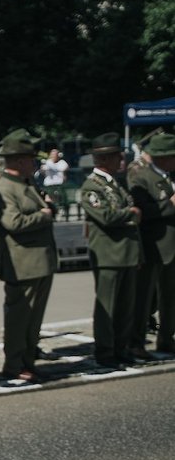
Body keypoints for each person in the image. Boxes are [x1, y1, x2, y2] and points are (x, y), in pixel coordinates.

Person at [0, 129, 58, 382]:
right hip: (22, 264)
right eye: (31, 158)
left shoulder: (28, 183)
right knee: (19, 319)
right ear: (18, 160)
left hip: (40, 262)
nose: (35, 163)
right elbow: (13, 222)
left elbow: (42, 208)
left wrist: (49, 207)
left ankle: (28, 360)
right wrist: (44, 215)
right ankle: (14, 364)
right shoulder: (5, 188)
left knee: (34, 320)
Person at [79, 132, 142, 370]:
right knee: (108, 306)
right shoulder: (91, 186)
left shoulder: (117, 183)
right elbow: (105, 216)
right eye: (118, 156)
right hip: (108, 254)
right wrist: (131, 215)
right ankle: (105, 351)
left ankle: (120, 347)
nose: (122, 161)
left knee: (126, 306)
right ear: (104, 159)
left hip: (127, 252)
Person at [127, 133, 175, 357]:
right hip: (153, 246)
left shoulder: (170, 176)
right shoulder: (141, 177)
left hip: (172, 247)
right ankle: (136, 342)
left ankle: (167, 339)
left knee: (170, 298)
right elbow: (142, 211)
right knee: (144, 298)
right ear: (163, 157)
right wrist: (170, 204)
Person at [39, 148, 70, 217]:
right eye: (52, 155)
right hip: (49, 185)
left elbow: (65, 169)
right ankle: (52, 212)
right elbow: (42, 171)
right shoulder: (47, 162)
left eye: (55, 154)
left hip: (59, 184)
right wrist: (43, 169)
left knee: (63, 199)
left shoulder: (62, 162)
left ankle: (64, 212)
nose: (54, 156)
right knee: (49, 199)